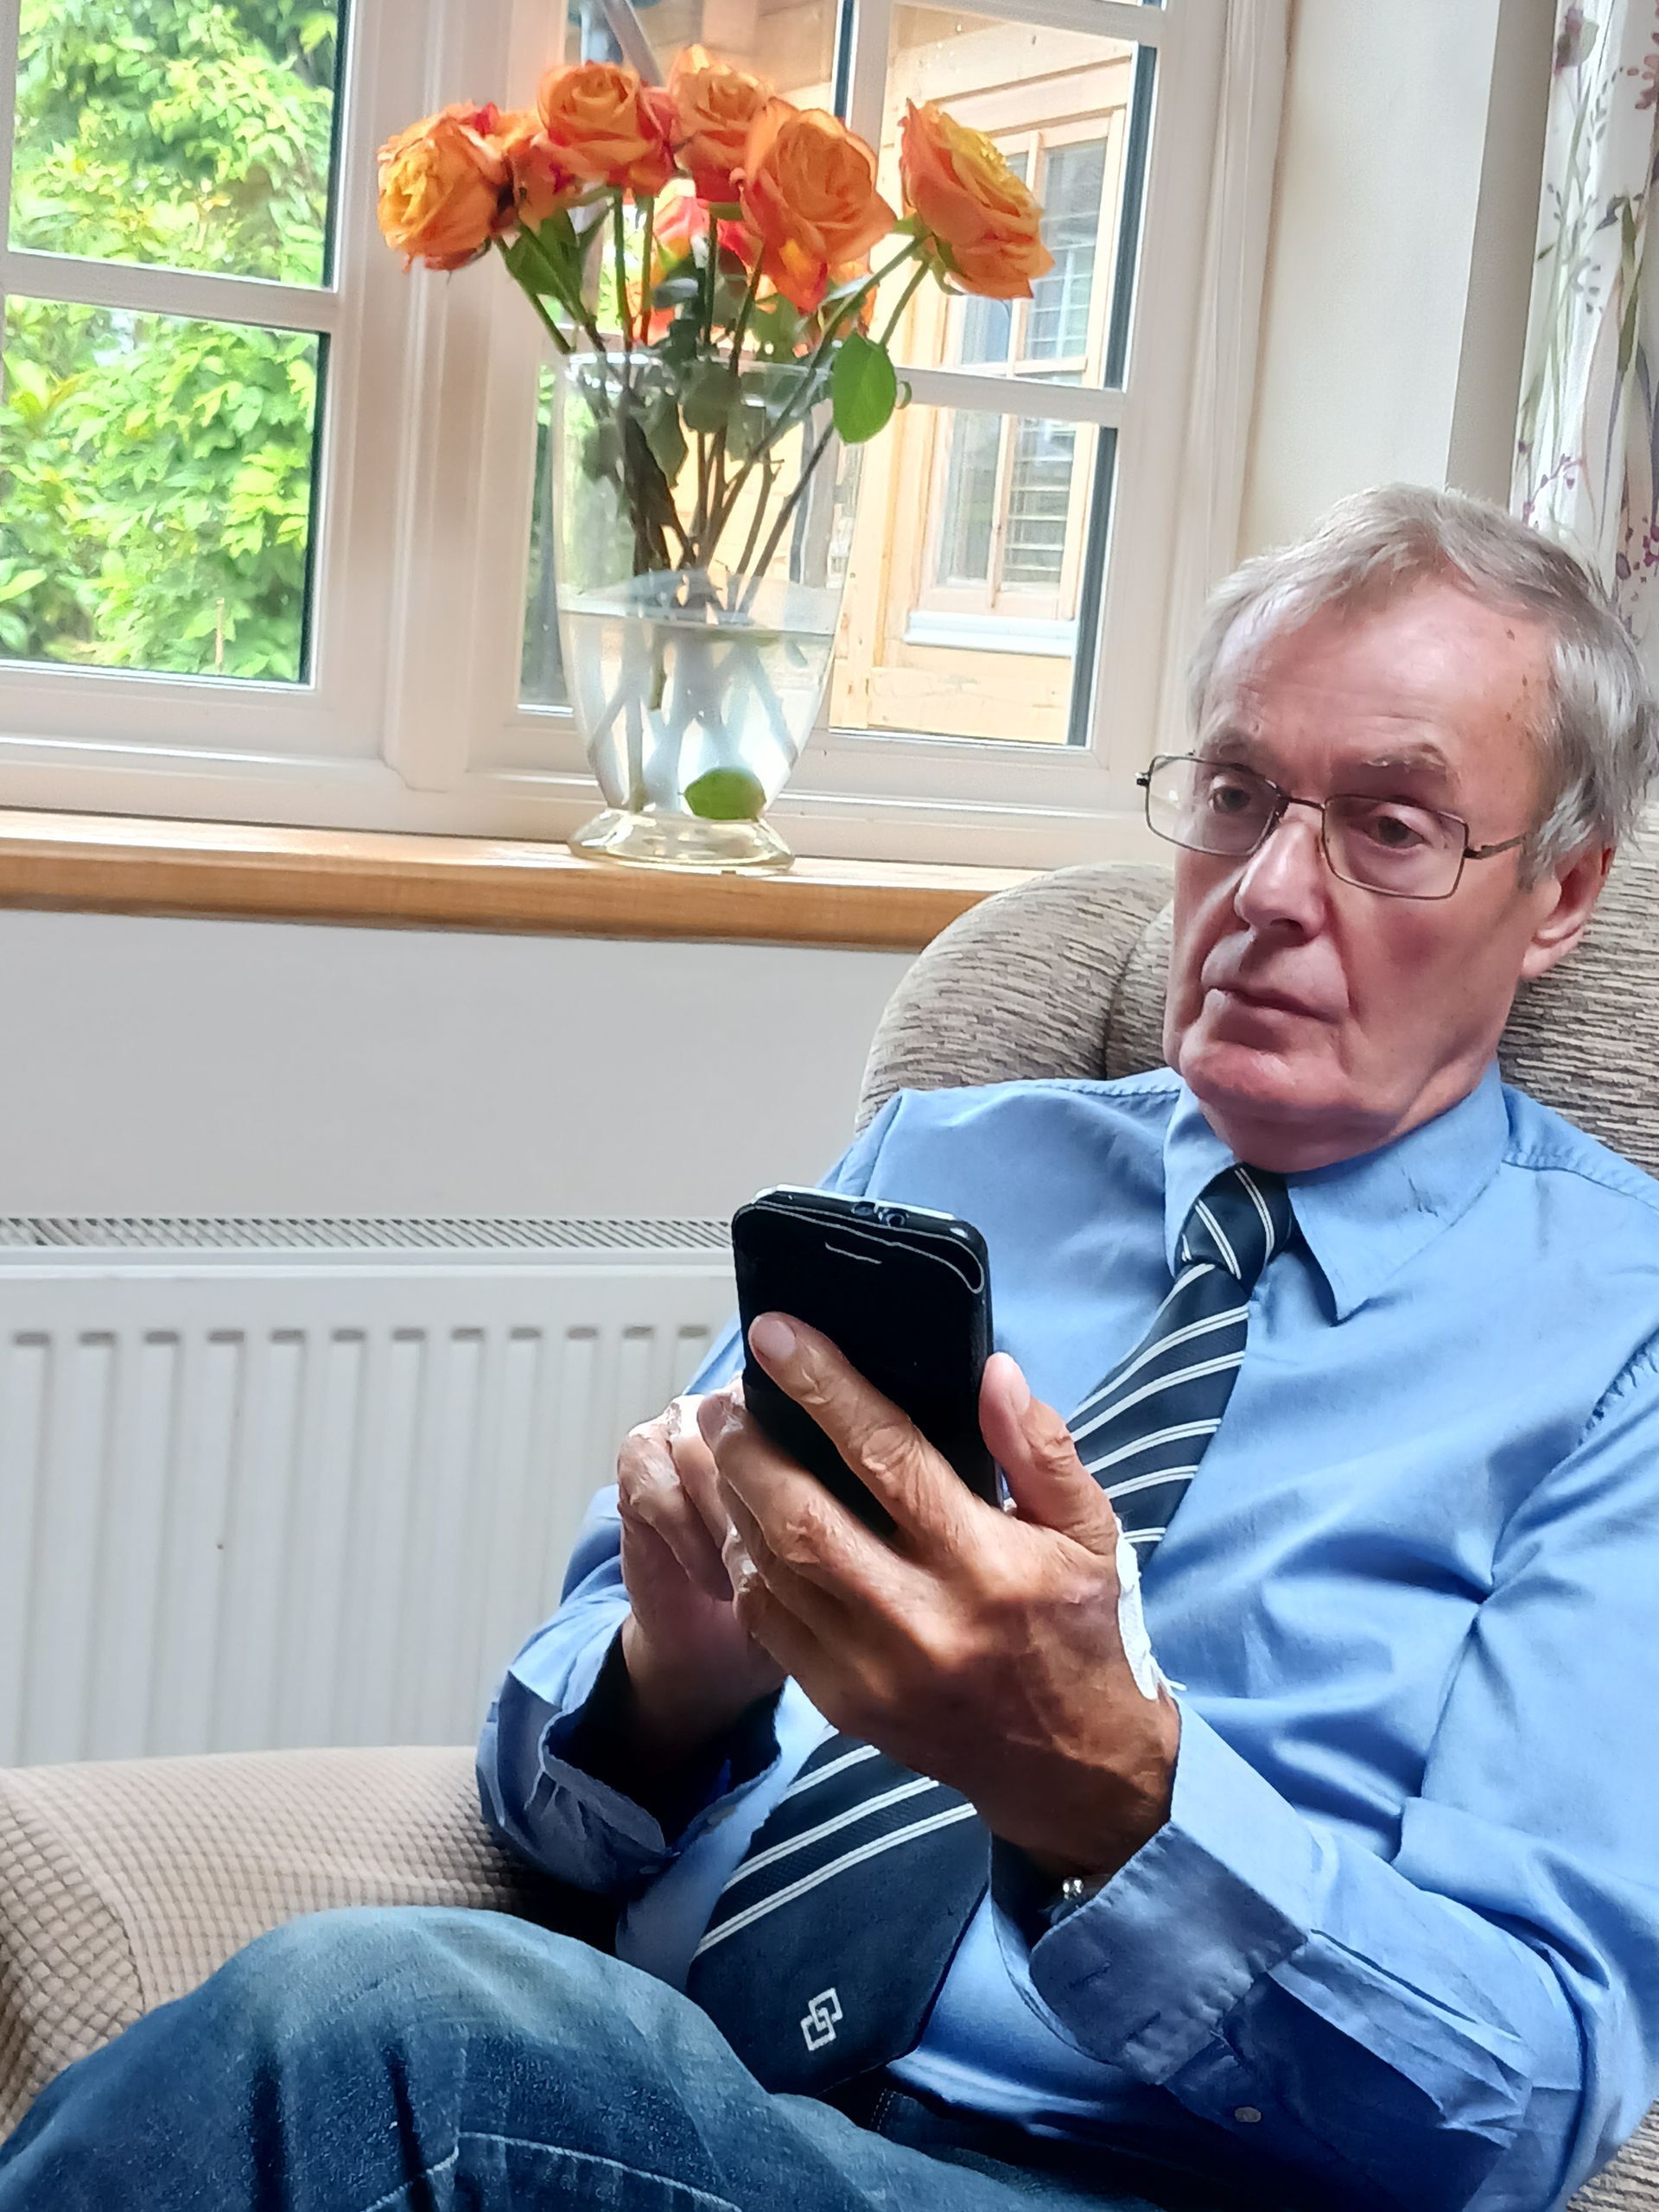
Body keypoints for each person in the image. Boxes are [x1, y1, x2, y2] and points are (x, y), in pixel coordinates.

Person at [4, 484, 1659, 2212]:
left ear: (1558, 895)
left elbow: (1520, 2089)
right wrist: (675, 1673)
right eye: (1235, 794)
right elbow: (548, 1790)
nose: (1262, 891)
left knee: (374, 2029)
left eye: (1391, 824)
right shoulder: (943, 1164)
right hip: (684, 2088)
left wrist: (1110, 1787)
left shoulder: (1625, 1341)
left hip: (1110, 2174)